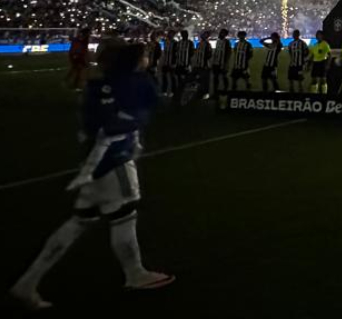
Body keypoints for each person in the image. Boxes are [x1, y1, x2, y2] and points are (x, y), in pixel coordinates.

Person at [9, 40, 173, 310]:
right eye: (144, 55)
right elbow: (136, 114)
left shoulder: (99, 86)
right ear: (131, 60)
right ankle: (135, 274)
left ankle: (28, 282)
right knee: (125, 214)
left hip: (94, 160)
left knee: (80, 221)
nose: (147, 58)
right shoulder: (132, 83)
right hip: (115, 160)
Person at [65, 27, 91, 91]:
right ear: (86, 33)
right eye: (89, 32)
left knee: (75, 69)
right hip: (76, 55)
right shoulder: (82, 38)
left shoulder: (82, 38)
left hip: (77, 55)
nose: (90, 33)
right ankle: (74, 85)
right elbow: (80, 46)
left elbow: (83, 48)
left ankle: (68, 81)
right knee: (78, 70)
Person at [209, 28, 232, 98]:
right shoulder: (218, 41)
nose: (220, 34)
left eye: (222, 33)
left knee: (224, 77)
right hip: (216, 63)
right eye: (220, 32)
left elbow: (228, 52)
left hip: (222, 63)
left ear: (225, 34)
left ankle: (226, 91)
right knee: (216, 78)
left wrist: (226, 63)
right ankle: (215, 92)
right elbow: (216, 52)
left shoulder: (227, 42)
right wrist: (213, 62)